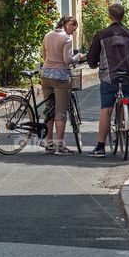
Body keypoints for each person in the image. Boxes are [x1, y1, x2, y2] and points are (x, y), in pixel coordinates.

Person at [85, 3, 129, 158]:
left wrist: (94, 64)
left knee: (106, 110)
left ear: (109, 16)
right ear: (123, 16)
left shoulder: (101, 34)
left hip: (109, 77)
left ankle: (100, 147)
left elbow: (92, 59)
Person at [41, 16, 86, 155]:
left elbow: (43, 56)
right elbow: (67, 60)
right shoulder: (66, 38)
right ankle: (60, 146)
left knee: (49, 110)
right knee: (60, 112)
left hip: (46, 76)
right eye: (74, 28)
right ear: (68, 24)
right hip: (60, 78)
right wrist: (78, 57)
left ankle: (49, 143)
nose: (73, 32)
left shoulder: (47, 35)